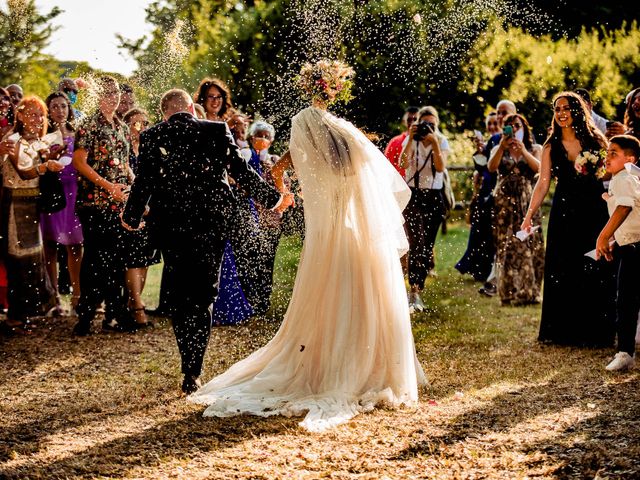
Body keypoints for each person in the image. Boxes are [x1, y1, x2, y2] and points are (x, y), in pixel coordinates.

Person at [189, 60, 426, 432]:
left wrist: (287, 193)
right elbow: (362, 176)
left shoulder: (305, 124)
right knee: (361, 297)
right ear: (335, 91)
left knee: (325, 299)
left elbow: (280, 168)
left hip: (327, 234)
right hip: (356, 233)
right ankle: (365, 368)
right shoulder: (346, 132)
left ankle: (330, 368)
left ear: (310, 88)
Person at [121, 89, 290, 394]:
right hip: (211, 225)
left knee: (182, 294)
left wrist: (131, 216)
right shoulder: (215, 129)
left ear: (164, 113)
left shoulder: (152, 136)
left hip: (171, 226)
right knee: (204, 294)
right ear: (192, 109)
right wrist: (272, 199)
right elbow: (241, 171)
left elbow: (144, 179)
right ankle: (193, 370)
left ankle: (187, 359)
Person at [522, 92, 616, 347]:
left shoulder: (596, 138)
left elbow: (611, 170)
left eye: (566, 108)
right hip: (564, 211)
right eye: (557, 109)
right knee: (564, 266)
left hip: (594, 209)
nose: (561, 113)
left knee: (593, 264)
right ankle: (563, 330)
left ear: (577, 110)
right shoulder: (550, 146)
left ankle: (596, 330)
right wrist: (529, 214)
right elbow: (543, 183)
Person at [71, 76, 134, 336]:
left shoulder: (121, 125)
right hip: (94, 204)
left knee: (117, 259)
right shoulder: (89, 124)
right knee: (95, 261)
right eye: (108, 92)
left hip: (119, 204)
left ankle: (114, 314)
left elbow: (125, 162)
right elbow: (79, 162)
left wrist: (134, 182)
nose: (114, 96)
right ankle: (85, 316)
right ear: (98, 95)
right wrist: (108, 186)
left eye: (116, 92)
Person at [1, 96, 60, 334]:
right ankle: (14, 318)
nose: (38, 119)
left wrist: (51, 157)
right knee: (17, 259)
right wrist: (44, 167)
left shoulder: (37, 141)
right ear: (21, 116)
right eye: (33, 114)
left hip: (32, 203)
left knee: (32, 258)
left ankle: (23, 314)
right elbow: (24, 173)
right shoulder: (12, 139)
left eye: (41, 115)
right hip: (14, 203)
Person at [488, 113, 544, 305]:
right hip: (504, 202)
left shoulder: (534, 148)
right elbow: (491, 167)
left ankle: (530, 291)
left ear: (524, 127)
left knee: (530, 242)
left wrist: (523, 152)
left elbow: (539, 169)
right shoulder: (499, 148)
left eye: (517, 125)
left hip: (528, 201)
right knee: (506, 245)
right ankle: (508, 291)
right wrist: (502, 147)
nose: (513, 128)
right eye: (509, 125)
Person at [595, 135, 640, 371]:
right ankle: (625, 351)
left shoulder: (625, 177)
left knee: (626, 300)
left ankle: (625, 352)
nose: (607, 156)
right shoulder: (625, 177)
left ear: (629, 159)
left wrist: (604, 236)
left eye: (614, 152)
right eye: (607, 152)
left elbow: (625, 207)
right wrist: (616, 241)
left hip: (636, 248)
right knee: (626, 299)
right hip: (630, 245)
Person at [399, 105, 449, 312]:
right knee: (416, 244)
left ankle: (418, 288)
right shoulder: (410, 139)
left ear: (436, 124)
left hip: (433, 197)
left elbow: (440, 167)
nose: (427, 128)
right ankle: (414, 292)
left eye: (431, 124)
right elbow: (403, 163)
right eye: (424, 123)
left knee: (427, 246)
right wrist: (411, 140)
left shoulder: (441, 140)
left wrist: (435, 144)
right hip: (413, 196)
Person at [40, 92, 84, 315]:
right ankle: (54, 298)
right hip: (52, 193)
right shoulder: (43, 136)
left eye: (63, 106)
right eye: (55, 106)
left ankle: (77, 297)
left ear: (69, 109)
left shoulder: (78, 134)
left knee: (75, 245)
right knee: (49, 247)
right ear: (48, 110)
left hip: (74, 193)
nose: (59, 110)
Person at [121, 107, 158, 327]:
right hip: (131, 211)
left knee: (145, 258)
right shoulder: (124, 151)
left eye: (145, 123)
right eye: (136, 123)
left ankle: (133, 302)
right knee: (133, 258)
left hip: (151, 211)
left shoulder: (151, 149)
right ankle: (136, 305)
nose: (141, 128)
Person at [455, 111, 499, 282]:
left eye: (495, 123)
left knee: (489, 232)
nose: (492, 127)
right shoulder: (490, 142)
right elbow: (482, 169)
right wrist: (480, 151)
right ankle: (477, 267)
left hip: (497, 188)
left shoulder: (502, 141)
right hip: (485, 189)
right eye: (490, 123)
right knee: (479, 230)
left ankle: (487, 268)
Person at [384, 106, 419, 177]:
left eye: (415, 119)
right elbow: (386, 165)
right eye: (409, 120)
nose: (412, 122)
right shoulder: (395, 141)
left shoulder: (425, 141)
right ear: (404, 121)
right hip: (399, 184)